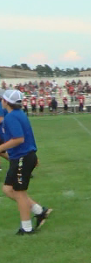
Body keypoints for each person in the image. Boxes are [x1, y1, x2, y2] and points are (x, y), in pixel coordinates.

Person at [0, 90, 52, 235]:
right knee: (8, 190)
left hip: (22, 157)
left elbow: (19, 139)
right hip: (21, 157)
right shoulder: (17, 115)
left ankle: (27, 228)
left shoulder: (11, 117)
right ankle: (39, 211)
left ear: (6, 102)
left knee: (19, 193)